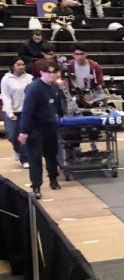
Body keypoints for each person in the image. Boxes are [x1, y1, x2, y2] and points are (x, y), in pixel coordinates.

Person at [17, 59, 65, 199]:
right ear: (42, 73)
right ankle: (36, 186)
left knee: (52, 155)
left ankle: (53, 179)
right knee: (35, 158)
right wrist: (24, 131)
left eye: (54, 72)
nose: (52, 75)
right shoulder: (34, 88)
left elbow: (56, 106)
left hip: (50, 127)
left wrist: (60, 117)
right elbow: (27, 111)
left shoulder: (55, 87)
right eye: (49, 73)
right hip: (34, 129)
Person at [2, 57, 32, 168]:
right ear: (13, 66)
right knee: (12, 135)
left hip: (25, 111)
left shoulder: (29, 78)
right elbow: (6, 96)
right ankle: (17, 150)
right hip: (11, 110)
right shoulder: (6, 79)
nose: (21, 67)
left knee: (23, 135)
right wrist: (10, 113)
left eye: (23, 64)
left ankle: (25, 159)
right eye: (18, 64)